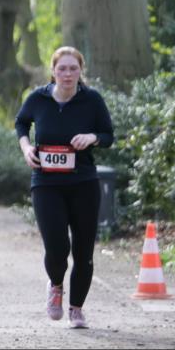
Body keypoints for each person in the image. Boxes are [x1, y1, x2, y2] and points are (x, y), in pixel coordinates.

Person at [14, 46, 114, 329]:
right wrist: (25, 147)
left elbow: (108, 135)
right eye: (62, 68)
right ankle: (56, 284)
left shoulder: (92, 100)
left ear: (81, 71)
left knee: (83, 251)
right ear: (53, 71)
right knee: (57, 248)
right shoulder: (38, 98)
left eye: (73, 68)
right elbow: (21, 122)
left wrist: (92, 137)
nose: (68, 74)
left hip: (83, 183)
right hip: (46, 183)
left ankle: (77, 309)